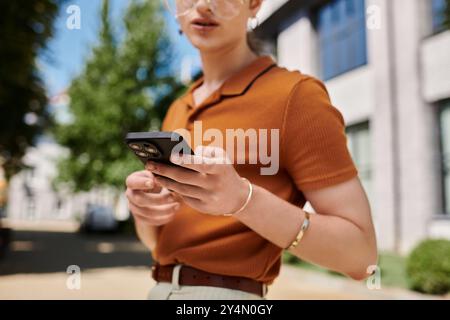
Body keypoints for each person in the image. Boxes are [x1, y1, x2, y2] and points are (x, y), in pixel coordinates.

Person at [125, 0, 378, 300]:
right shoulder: (178, 108)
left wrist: (242, 200)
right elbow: (157, 245)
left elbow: (362, 257)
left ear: (254, 4)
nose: (203, 5)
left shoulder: (297, 97)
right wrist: (145, 212)